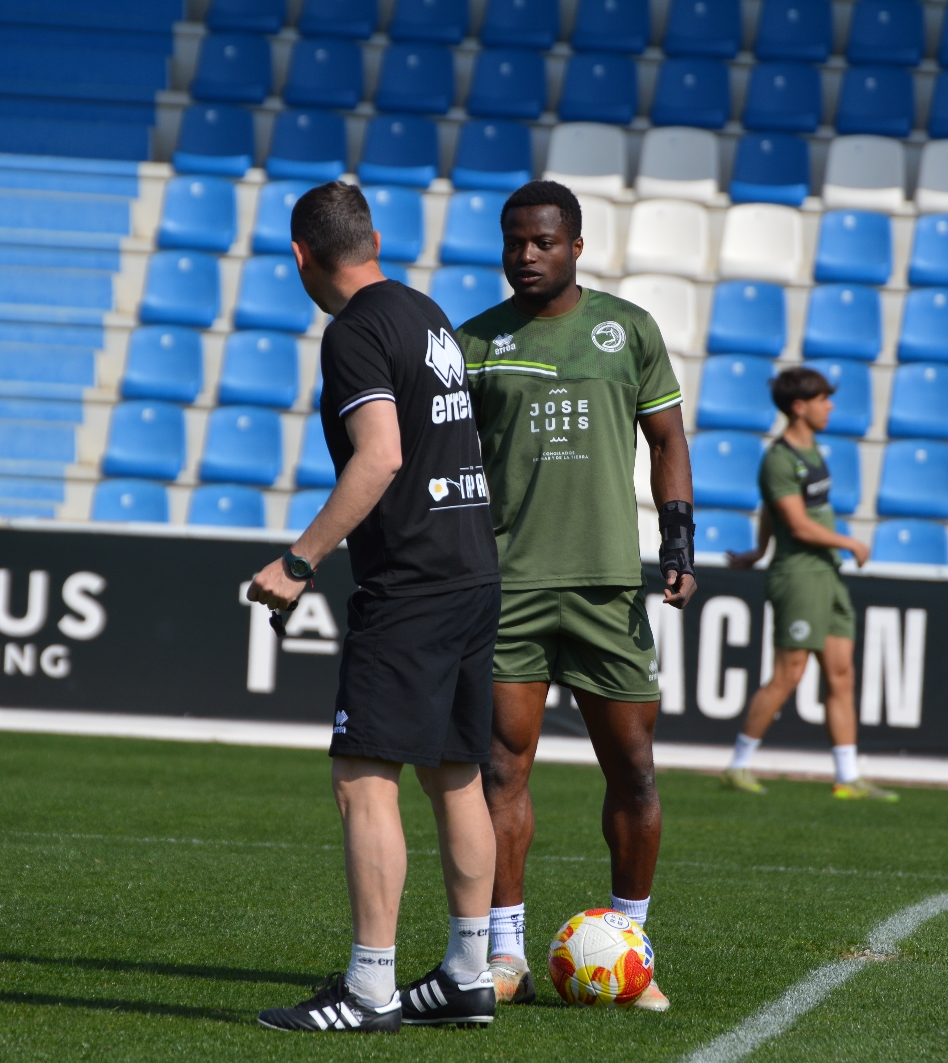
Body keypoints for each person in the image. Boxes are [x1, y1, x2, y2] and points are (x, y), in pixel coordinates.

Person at [248, 182, 504, 1034]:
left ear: (300, 255)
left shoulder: (354, 330)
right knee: (456, 772)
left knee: (363, 776)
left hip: (413, 581)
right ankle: (468, 972)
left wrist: (298, 560)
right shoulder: (426, 313)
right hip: (471, 568)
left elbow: (381, 455)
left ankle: (369, 988)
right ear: (376, 241)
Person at [453, 180, 698, 1011]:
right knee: (500, 770)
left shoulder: (627, 329)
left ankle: (632, 948)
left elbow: (666, 439)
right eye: (513, 242)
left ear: (576, 246)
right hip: (507, 587)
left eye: (544, 242)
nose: (526, 255)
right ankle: (505, 955)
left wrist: (677, 541)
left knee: (632, 769)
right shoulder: (474, 341)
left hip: (604, 586)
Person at [724, 368, 897, 801]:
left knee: (841, 674)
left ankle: (847, 777)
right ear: (799, 407)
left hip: (826, 573)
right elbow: (798, 525)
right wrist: (848, 542)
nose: (830, 406)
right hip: (799, 575)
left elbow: (771, 509)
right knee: (789, 673)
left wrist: (758, 549)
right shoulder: (779, 459)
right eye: (823, 399)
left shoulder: (812, 448)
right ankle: (738, 765)